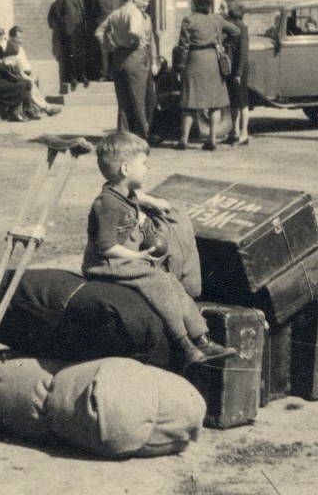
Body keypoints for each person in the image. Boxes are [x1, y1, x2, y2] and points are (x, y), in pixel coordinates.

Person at [82, 132, 236, 366]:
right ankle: (183, 344)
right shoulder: (106, 204)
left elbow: (136, 197)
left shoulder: (123, 194)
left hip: (125, 262)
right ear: (125, 169)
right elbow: (105, 247)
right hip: (106, 265)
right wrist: (137, 255)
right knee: (160, 282)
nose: (147, 169)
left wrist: (154, 202)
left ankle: (201, 338)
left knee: (172, 281)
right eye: (143, 164)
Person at [175, 0, 240, 151]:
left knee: (190, 103)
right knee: (215, 103)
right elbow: (236, 31)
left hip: (194, 62)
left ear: (195, 2)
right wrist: (222, 42)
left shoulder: (189, 20)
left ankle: (184, 140)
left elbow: (183, 47)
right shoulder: (216, 20)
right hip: (213, 63)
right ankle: (212, 139)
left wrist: (180, 67)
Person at [95, 0, 159, 139]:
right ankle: (145, 134)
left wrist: (111, 45)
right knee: (138, 100)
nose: (141, 0)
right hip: (135, 58)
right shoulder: (135, 12)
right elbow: (134, 30)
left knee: (123, 101)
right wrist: (137, 40)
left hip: (118, 59)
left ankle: (123, 134)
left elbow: (98, 32)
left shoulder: (115, 13)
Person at [2, 25, 62, 116]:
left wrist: (31, 71)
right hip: (14, 74)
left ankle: (43, 106)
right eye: (18, 38)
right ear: (11, 37)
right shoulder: (7, 46)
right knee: (29, 83)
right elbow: (8, 63)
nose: (20, 40)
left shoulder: (20, 48)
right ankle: (45, 107)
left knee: (32, 81)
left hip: (24, 72)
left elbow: (25, 63)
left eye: (21, 38)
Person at [220, 0, 250, 146]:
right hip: (231, 69)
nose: (220, 10)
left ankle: (244, 134)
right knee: (233, 103)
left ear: (230, 9)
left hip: (239, 69)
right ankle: (234, 133)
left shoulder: (241, 26)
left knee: (242, 102)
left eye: (223, 7)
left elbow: (243, 52)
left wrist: (238, 73)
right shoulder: (227, 26)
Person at [50, 0, 89, 90]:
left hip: (80, 30)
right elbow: (55, 13)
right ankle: (72, 78)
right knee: (71, 55)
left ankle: (82, 76)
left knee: (81, 55)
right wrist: (63, 26)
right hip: (69, 32)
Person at [90, 0, 124, 81]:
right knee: (103, 51)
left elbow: (122, 9)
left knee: (114, 50)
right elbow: (93, 11)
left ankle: (113, 74)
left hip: (115, 27)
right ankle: (103, 74)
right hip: (103, 27)